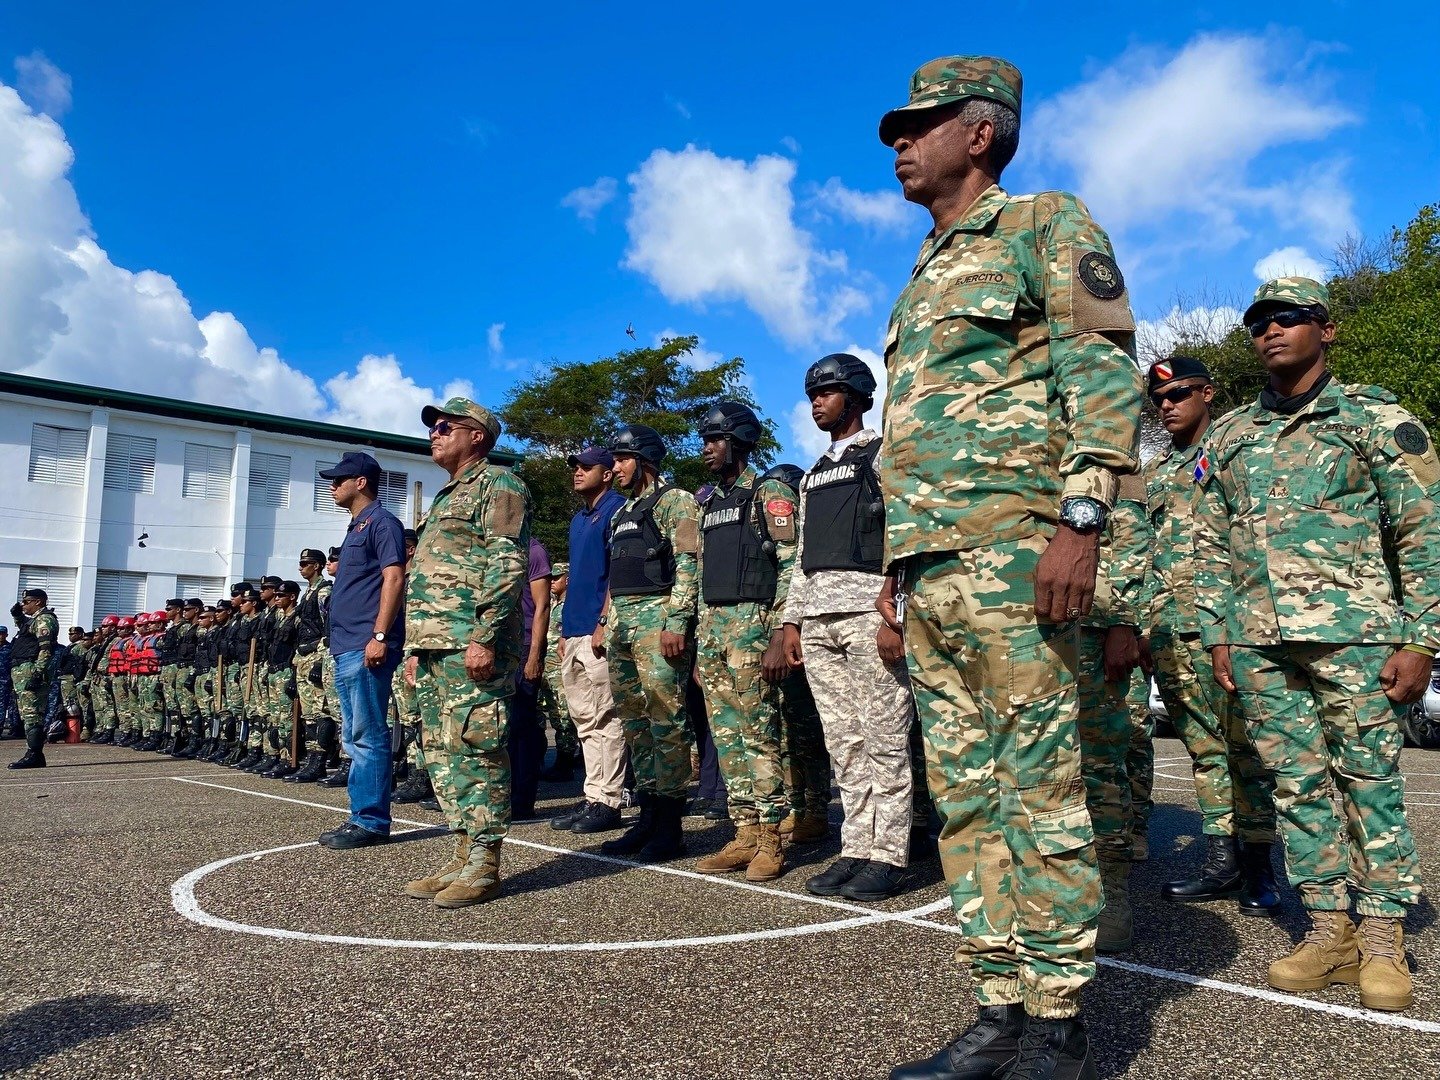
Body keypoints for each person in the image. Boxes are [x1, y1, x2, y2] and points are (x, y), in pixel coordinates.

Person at [877, 56, 1144, 1079]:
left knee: (1041, 792)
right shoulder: (924, 269)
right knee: (970, 799)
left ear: (979, 132)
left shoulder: (1043, 225)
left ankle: (1059, 1023)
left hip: (1016, 558)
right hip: (933, 569)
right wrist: (897, 583)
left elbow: (1104, 372)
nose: (900, 144)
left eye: (920, 125)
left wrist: (1081, 523)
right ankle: (995, 1009)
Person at [1193, 276, 1438, 1013]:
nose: (1271, 330)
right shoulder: (1232, 435)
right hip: (1261, 642)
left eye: (1289, 318)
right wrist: (1219, 637)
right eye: (1260, 321)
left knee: (1369, 781)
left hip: (1357, 638)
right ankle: (1328, 932)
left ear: (1325, 330)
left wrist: (1422, 636)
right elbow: (1211, 541)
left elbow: (1423, 531)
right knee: (1296, 786)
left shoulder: (1373, 417)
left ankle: (1385, 937)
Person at [1143, 356, 1279, 914]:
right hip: (1174, 632)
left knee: (1248, 748)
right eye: (1161, 399)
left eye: (1180, 394)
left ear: (1209, 394)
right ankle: (1222, 863)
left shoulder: (1233, 455)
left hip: (1231, 628)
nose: (1168, 405)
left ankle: (1260, 868)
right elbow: (1147, 557)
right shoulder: (1157, 475)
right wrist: (1149, 628)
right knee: (1204, 751)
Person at [782, 353, 916, 902]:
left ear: (858, 396)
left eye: (829, 392)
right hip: (818, 619)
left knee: (885, 740)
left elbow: (906, 536)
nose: (817, 401)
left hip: (870, 614)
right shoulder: (812, 473)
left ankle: (888, 855)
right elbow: (801, 553)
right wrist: (792, 618)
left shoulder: (884, 455)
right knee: (844, 743)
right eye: (813, 393)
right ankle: (856, 848)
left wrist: (899, 616)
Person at [402, 397, 531, 906]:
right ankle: (460, 852)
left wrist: (484, 636)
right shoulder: (445, 496)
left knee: (477, 746)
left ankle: (485, 863)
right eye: (433, 427)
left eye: (445, 426)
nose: (434, 433)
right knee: (441, 750)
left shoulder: (500, 485)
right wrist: (416, 647)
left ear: (476, 435)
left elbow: (506, 564)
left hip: (471, 642)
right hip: (436, 646)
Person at [692, 401, 795, 882]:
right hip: (715, 628)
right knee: (728, 738)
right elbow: (698, 575)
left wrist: (780, 630)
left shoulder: (768, 491)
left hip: (753, 624)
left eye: (714, 440)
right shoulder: (709, 501)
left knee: (760, 735)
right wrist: (699, 639)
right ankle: (745, 832)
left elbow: (791, 563)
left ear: (737, 441)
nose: (706, 449)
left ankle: (773, 839)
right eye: (705, 440)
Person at [594, 423, 701, 861]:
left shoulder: (676, 501)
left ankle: (670, 826)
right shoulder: (621, 513)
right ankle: (648, 817)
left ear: (645, 459)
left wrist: (677, 621)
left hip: (658, 622)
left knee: (666, 720)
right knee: (636, 725)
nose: (614, 467)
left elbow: (690, 563)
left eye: (622, 459)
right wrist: (606, 621)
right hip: (622, 624)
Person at [316, 451, 407, 849]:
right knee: (355, 735)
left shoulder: (382, 523)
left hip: (365, 644)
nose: (332, 485)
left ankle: (370, 821)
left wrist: (381, 635)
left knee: (368, 733)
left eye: (339, 479)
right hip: (347, 645)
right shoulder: (356, 527)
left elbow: (394, 577)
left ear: (362, 482)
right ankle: (360, 814)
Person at [1074, 485, 1149, 954]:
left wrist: (1124, 621)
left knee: (1099, 763)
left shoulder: (1098, 450)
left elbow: (1131, 544)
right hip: (1020, 617)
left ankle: (1111, 891)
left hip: (1092, 623)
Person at [549, 446, 628, 835]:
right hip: (573, 631)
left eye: (586, 467)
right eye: (575, 467)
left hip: (597, 631)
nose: (577, 472)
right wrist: (565, 632)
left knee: (605, 716)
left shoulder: (617, 510)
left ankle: (610, 799)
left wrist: (603, 622)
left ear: (608, 473)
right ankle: (593, 793)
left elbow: (616, 573)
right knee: (583, 719)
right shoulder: (580, 518)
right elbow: (577, 578)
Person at [510, 536, 554, 821]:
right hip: (500, 647)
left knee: (521, 727)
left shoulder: (534, 550)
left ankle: (522, 801)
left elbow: (542, 606)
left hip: (525, 646)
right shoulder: (498, 547)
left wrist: (535, 655)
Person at [289, 549, 336, 784]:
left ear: (316, 566)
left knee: (321, 711)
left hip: (316, 653)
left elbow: (328, 627)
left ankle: (320, 761)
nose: (300, 567)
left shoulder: (324, 592)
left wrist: (320, 658)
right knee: (309, 715)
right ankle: (311, 758)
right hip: (303, 656)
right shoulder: (307, 594)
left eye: (304, 563)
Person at [537, 563, 581, 781]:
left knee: (563, 716)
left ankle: (565, 764)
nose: (552, 581)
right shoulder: (553, 604)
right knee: (554, 715)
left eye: (557, 577)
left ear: (568, 579)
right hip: (548, 670)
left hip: (562, 670)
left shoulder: (571, 605)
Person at [8, 589, 60, 768]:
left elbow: (45, 649)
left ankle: (35, 755)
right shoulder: (35, 620)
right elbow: (26, 630)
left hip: (31, 670)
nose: (24, 605)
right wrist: (17, 616)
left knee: (32, 714)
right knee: (26, 714)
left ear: (38, 602)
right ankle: (33, 752)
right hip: (22, 670)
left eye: (26, 602)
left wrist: (38, 672)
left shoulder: (45, 619)